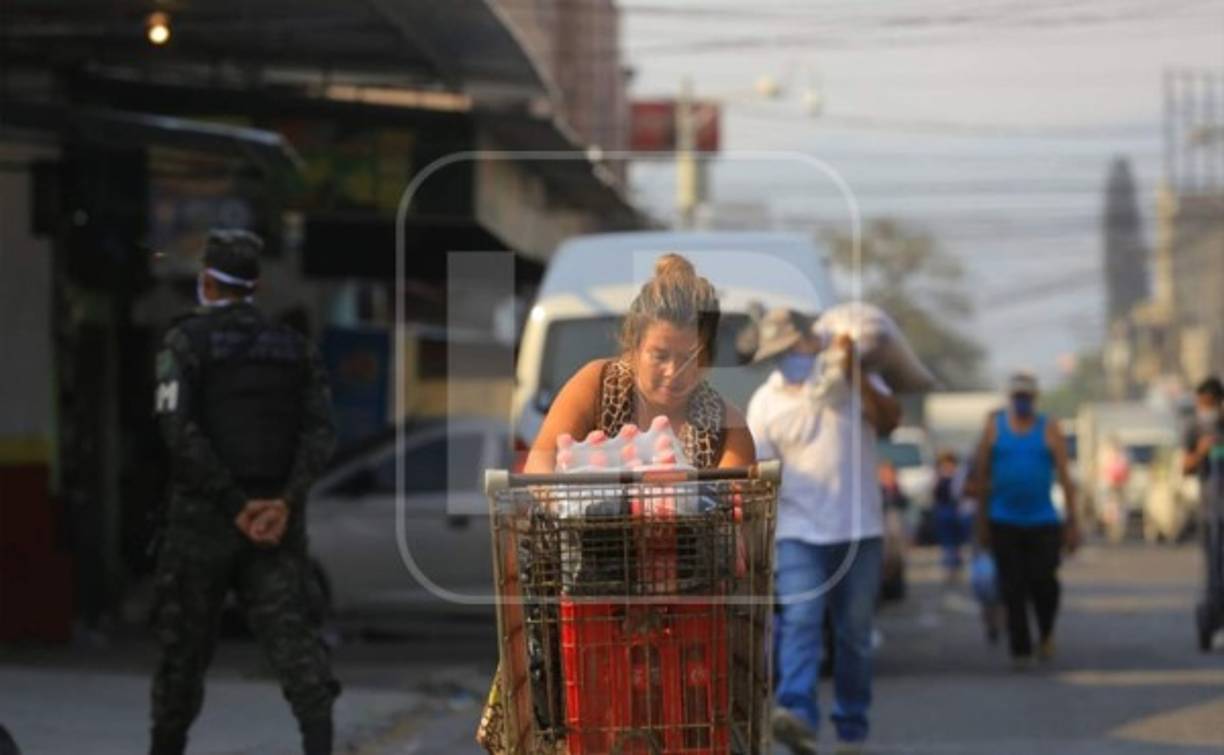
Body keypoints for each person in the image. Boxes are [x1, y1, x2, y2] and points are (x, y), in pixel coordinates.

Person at [475, 254, 757, 753]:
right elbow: (539, 468)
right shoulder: (598, 384)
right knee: (575, 720)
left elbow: (737, 514)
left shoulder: (724, 423)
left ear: (707, 356)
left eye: (688, 358)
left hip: (684, 613)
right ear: (633, 345)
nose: (673, 372)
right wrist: (587, 501)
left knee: (684, 724)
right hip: (586, 596)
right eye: (659, 355)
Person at [149, 230, 340, 755]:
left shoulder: (185, 343)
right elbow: (321, 434)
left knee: (181, 662)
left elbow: (176, 432)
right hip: (276, 528)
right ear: (254, 284)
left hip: (202, 526)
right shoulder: (294, 349)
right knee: (301, 658)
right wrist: (282, 502)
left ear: (208, 280)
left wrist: (234, 504)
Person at [746, 308, 901, 754]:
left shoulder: (852, 381)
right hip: (797, 532)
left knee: (854, 635)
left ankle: (851, 727)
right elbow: (757, 470)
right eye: (781, 352)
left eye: (795, 347)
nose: (791, 357)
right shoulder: (767, 401)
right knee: (800, 622)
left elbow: (889, 420)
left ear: (813, 341)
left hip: (859, 531)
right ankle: (797, 715)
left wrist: (853, 371)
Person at [971, 372, 1080, 670]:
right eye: (1017, 397)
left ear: (1035, 399)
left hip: (1043, 521)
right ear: (1010, 399)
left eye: (1027, 397)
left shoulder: (1049, 428)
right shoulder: (995, 428)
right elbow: (982, 477)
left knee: (1045, 583)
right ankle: (1020, 647)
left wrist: (1072, 523)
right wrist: (981, 523)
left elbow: (1065, 477)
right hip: (1003, 520)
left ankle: (1045, 631)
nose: (1022, 402)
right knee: (1012, 586)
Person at [932, 451, 970, 580]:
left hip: (954, 511)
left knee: (955, 542)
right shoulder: (940, 477)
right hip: (945, 512)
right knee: (948, 542)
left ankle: (954, 566)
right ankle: (950, 567)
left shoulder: (956, 477)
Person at [1183, 376, 1223, 480]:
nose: (1206, 409)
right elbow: (1185, 467)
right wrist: (1200, 452)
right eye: (1203, 403)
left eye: (1210, 403)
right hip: (1206, 492)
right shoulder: (1193, 428)